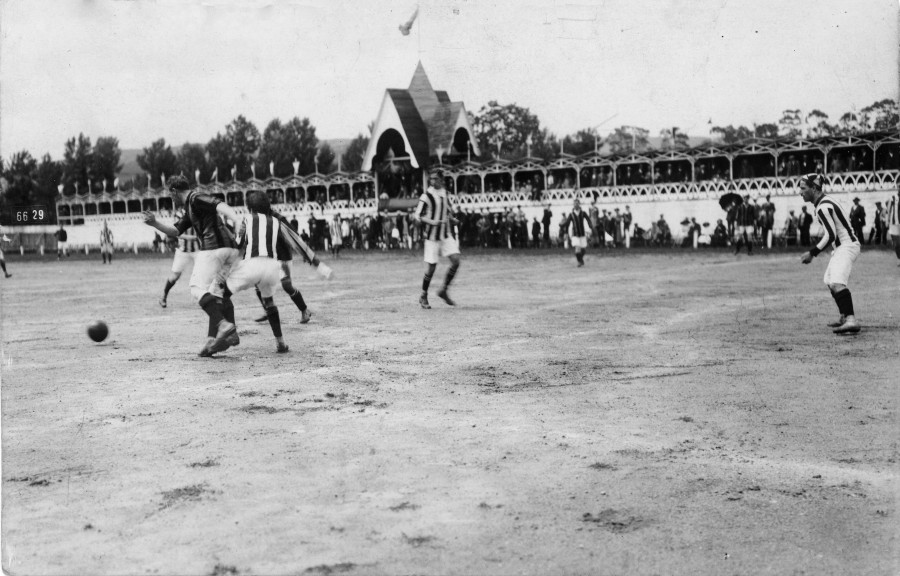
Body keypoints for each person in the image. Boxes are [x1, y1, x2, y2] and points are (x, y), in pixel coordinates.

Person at [143, 174, 242, 356]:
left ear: (174, 191)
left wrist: (236, 219)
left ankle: (224, 325)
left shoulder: (195, 197)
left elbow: (218, 204)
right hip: (231, 250)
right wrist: (155, 223)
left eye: (170, 195)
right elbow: (175, 230)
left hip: (214, 248)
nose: (170, 199)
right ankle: (217, 339)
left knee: (196, 288)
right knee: (217, 294)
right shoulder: (190, 206)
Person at [224, 191, 290, 353]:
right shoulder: (276, 222)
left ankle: (229, 331)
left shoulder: (247, 220)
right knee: (269, 302)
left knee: (221, 293)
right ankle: (280, 342)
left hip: (252, 265)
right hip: (272, 267)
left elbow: (237, 244)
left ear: (250, 208)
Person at [798, 173, 861, 334]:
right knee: (829, 280)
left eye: (803, 188)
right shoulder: (825, 202)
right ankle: (844, 316)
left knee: (837, 283)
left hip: (846, 246)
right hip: (843, 246)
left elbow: (831, 235)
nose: (800, 192)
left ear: (814, 188)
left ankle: (851, 320)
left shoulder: (822, 207)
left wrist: (812, 253)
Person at [414, 168, 461, 309]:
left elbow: (447, 210)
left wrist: (452, 219)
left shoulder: (445, 193)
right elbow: (417, 217)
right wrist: (431, 221)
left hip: (445, 234)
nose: (432, 181)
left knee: (456, 261)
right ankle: (423, 295)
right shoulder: (427, 195)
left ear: (441, 179)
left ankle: (443, 290)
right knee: (431, 268)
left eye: (435, 178)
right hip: (432, 237)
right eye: (431, 178)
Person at [159, 231, 199, 308]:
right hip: (182, 251)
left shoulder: (201, 219)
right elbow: (174, 232)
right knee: (175, 276)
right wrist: (192, 237)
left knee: (204, 274)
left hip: (198, 251)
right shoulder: (182, 219)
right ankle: (163, 297)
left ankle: (212, 299)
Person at [564, 198, 592, 267]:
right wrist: (566, 233)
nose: (576, 205)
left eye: (577, 204)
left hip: (582, 233)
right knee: (577, 249)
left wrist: (590, 227)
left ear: (579, 204)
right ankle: (579, 261)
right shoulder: (571, 214)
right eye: (574, 204)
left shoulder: (583, 213)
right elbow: (567, 224)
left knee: (583, 250)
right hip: (575, 234)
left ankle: (581, 259)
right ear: (573, 205)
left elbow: (588, 220)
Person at [888, 180, 900, 263]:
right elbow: (888, 209)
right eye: (899, 186)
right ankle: (899, 258)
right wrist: (887, 220)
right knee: (896, 243)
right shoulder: (893, 197)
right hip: (894, 223)